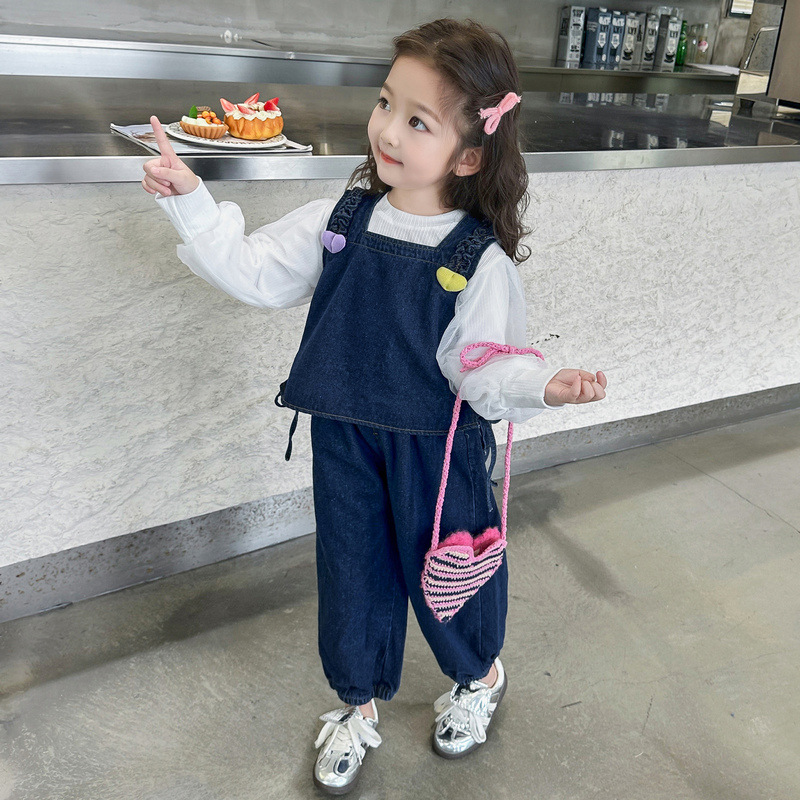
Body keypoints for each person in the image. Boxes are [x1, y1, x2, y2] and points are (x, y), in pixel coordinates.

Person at [143, 17, 607, 795]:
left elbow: (483, 369)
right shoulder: (340, 223)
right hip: (346, 440)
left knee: (451, 570)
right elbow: (254, 273)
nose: (387, 130)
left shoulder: (476, 260)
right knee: (351, 572)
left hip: (438, 450)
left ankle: (477, 674)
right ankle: (356, 701)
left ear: (469, 154)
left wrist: (544, 386)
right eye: (386, 102)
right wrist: (192, 200)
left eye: (418, 121)